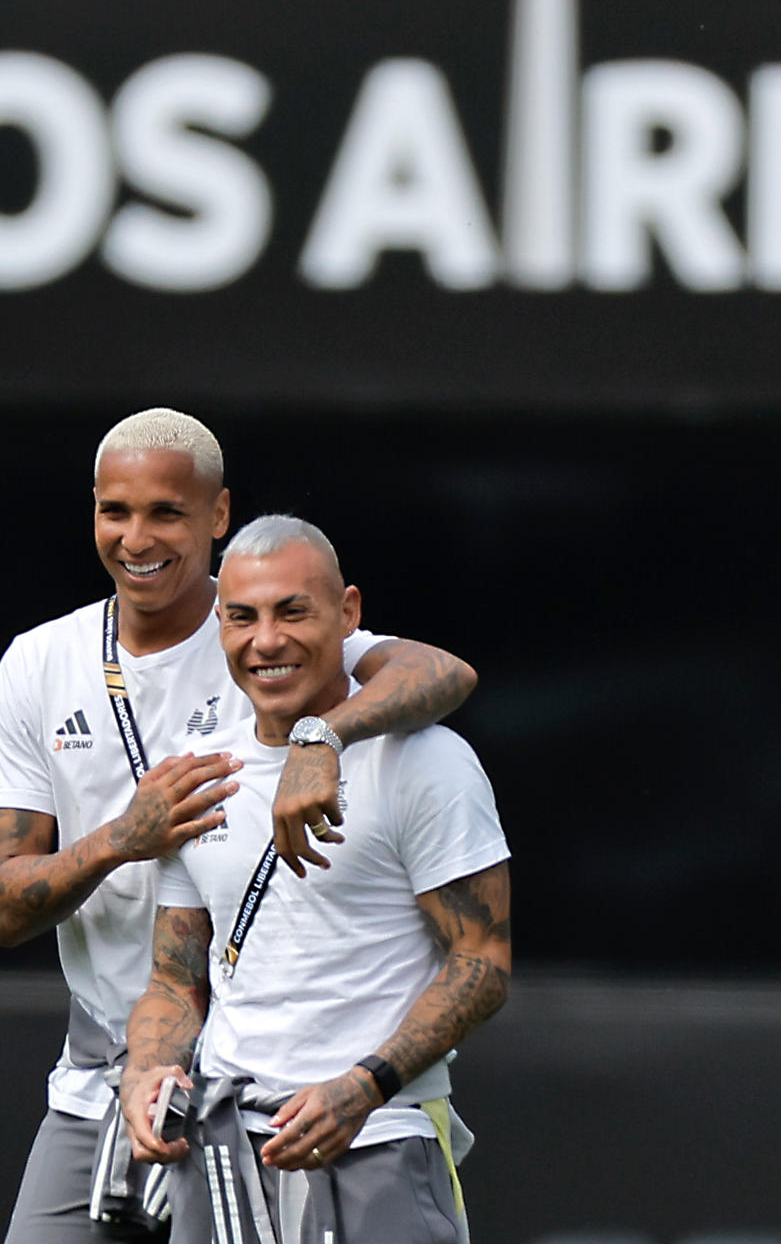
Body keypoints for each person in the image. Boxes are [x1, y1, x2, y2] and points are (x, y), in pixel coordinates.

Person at [0, 410, 478, 1243]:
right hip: (119, 1061)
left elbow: (444, 672)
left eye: (167, 513)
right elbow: (2, 907)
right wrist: (119, 840)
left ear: (217, 516)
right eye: (116, 512)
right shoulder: (41, 662)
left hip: (270, 1075)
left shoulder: (262, 623)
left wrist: (325, 734)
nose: (138, 538)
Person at [120, 514, 510, 1244]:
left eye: (293, 611)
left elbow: (482, 965)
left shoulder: (425, 758)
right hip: (224, 1150)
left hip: (377, 1140)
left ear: (349, 613)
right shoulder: (200, 768)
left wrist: (363, 1087)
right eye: (242, 617)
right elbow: (175, 980)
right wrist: (147, 1072)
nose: (266, 640)